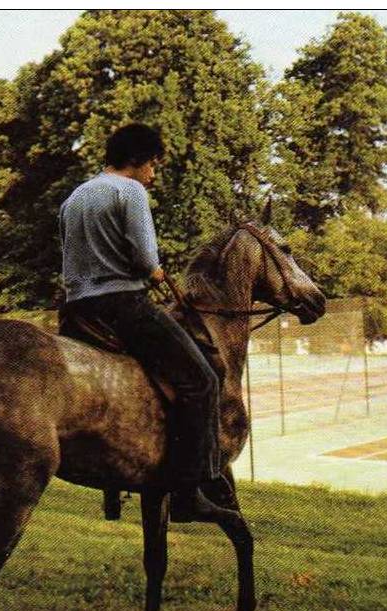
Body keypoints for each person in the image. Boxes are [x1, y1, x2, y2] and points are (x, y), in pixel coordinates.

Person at [58, 122, 228, 522]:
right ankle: (189, 491)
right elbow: (144, 260)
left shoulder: (75, 197)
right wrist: (155, 273)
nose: (154, 175)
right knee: (201, 381)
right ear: (136, 161)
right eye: (153, 165)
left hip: (78, 309)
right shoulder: (129, 191)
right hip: (123, 305)